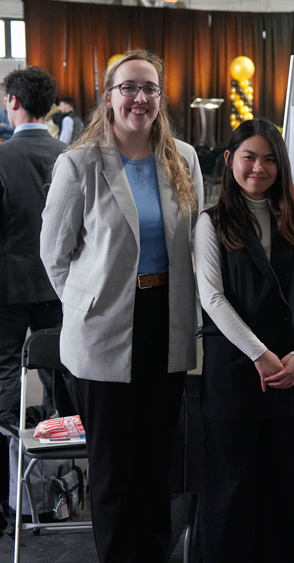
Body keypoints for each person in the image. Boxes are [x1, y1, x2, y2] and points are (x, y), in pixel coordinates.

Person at [40, 49, 203, 563]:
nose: (139, 98)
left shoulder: (184, 158)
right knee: (112, 469)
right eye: (128, 87)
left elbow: (195, 242)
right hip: (102, 329)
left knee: (157, 464)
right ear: (108, 97)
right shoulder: (79, 163)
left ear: (161, 98)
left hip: (167, 322)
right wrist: (86, 306)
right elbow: (54, 253)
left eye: (149, 88)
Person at [195, 119, 294, 561]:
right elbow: (211, 297)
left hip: (289, 374)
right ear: (230, 160)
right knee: (230, 494)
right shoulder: (211, 223)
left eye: (269, 159)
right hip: (234, 375)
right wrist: (260, 354)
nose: (258, 168)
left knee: (284, 494)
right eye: (249, 157)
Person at [0, 67, 66, 412]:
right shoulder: (72, 155)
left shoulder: (2, 157)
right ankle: (60, 438)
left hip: (7, 283)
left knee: (5, 370)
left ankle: (10, 438)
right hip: (59, 284)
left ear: (13, 101)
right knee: (59, 369)